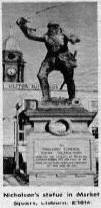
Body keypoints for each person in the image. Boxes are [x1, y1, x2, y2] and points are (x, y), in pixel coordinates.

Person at [16, 17, 80, 102]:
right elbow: (30, 35)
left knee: (69, 78)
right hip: (50, 59)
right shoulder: (46, 36)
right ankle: (46, 96)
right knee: (41, 75)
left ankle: (72, 97)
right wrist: (22, 25)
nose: (51, 29)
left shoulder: (64, 34)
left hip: (64, 58)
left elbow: (75, 38)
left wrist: (74, 39)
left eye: (54, 27)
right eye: (50, 27)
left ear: (57, 27)